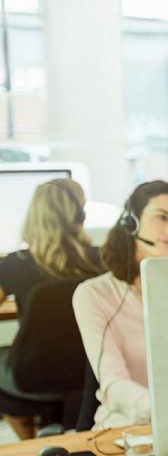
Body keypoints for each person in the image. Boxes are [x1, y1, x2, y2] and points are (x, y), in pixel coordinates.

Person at [73, 180, 168, 430]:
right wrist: (165, 412)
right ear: (131, 221)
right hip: (127, 430)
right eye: (162, 217)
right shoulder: (94, 294)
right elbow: (113, 384)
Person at [0, 178, 103, 439]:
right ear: (80, 214)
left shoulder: (14, 265)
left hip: (34, 374)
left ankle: (30, 443)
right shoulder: (103, 260)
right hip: (92, 372)